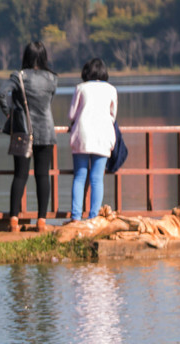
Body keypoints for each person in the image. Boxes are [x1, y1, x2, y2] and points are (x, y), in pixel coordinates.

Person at [0, 41, 58, 232]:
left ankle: (13, 219)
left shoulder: (19, 76)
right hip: (46, 131)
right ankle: (41, 221)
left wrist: (9, 113)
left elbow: (0, 94)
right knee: (43, 176)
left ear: (26, 57)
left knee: (20, 175)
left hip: (24, 131)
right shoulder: (52, 78)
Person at [68, 58, 118, 222]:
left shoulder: (81, 88)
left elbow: (71, 115)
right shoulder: (111, 89)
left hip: (82, 135)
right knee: (97, 179)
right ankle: (93, 217)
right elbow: (113, 114)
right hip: (103, 134)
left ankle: (75, 217)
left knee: (80, 177)